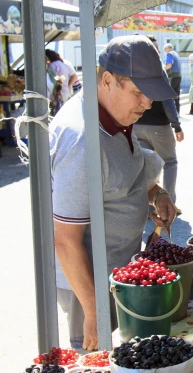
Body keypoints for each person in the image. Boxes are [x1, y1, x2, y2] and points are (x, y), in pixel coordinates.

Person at [50, 35, 178, 351]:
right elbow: (65, 240)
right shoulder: (82, 143)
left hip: (118, 274)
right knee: (95, 359)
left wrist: (156, 192)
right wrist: (94, 311)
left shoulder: (116, 111)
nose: (147, 103)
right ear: (107, 81)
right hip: (89, 286)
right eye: (138, 93)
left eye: (149, 95)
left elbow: (122, 173)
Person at [134, 36, 185, 210]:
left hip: (135, 125)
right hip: (158, 125)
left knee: (144, 165)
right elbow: (167, 100)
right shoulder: (156, 69)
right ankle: (168, 203)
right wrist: (176, 125)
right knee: (169, 162)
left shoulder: (130, 69)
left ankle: (148, 203)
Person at [163, 43, 182, 112]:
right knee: (177, 95)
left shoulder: (170, 54)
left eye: (165, 50)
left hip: (173, 76)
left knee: (170, 95)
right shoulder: (176, 54)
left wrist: (162, 68)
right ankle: (177, 111)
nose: (165, 51)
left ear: (167, 48)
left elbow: (169, 65)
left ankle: (171, 112)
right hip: (179, 76)